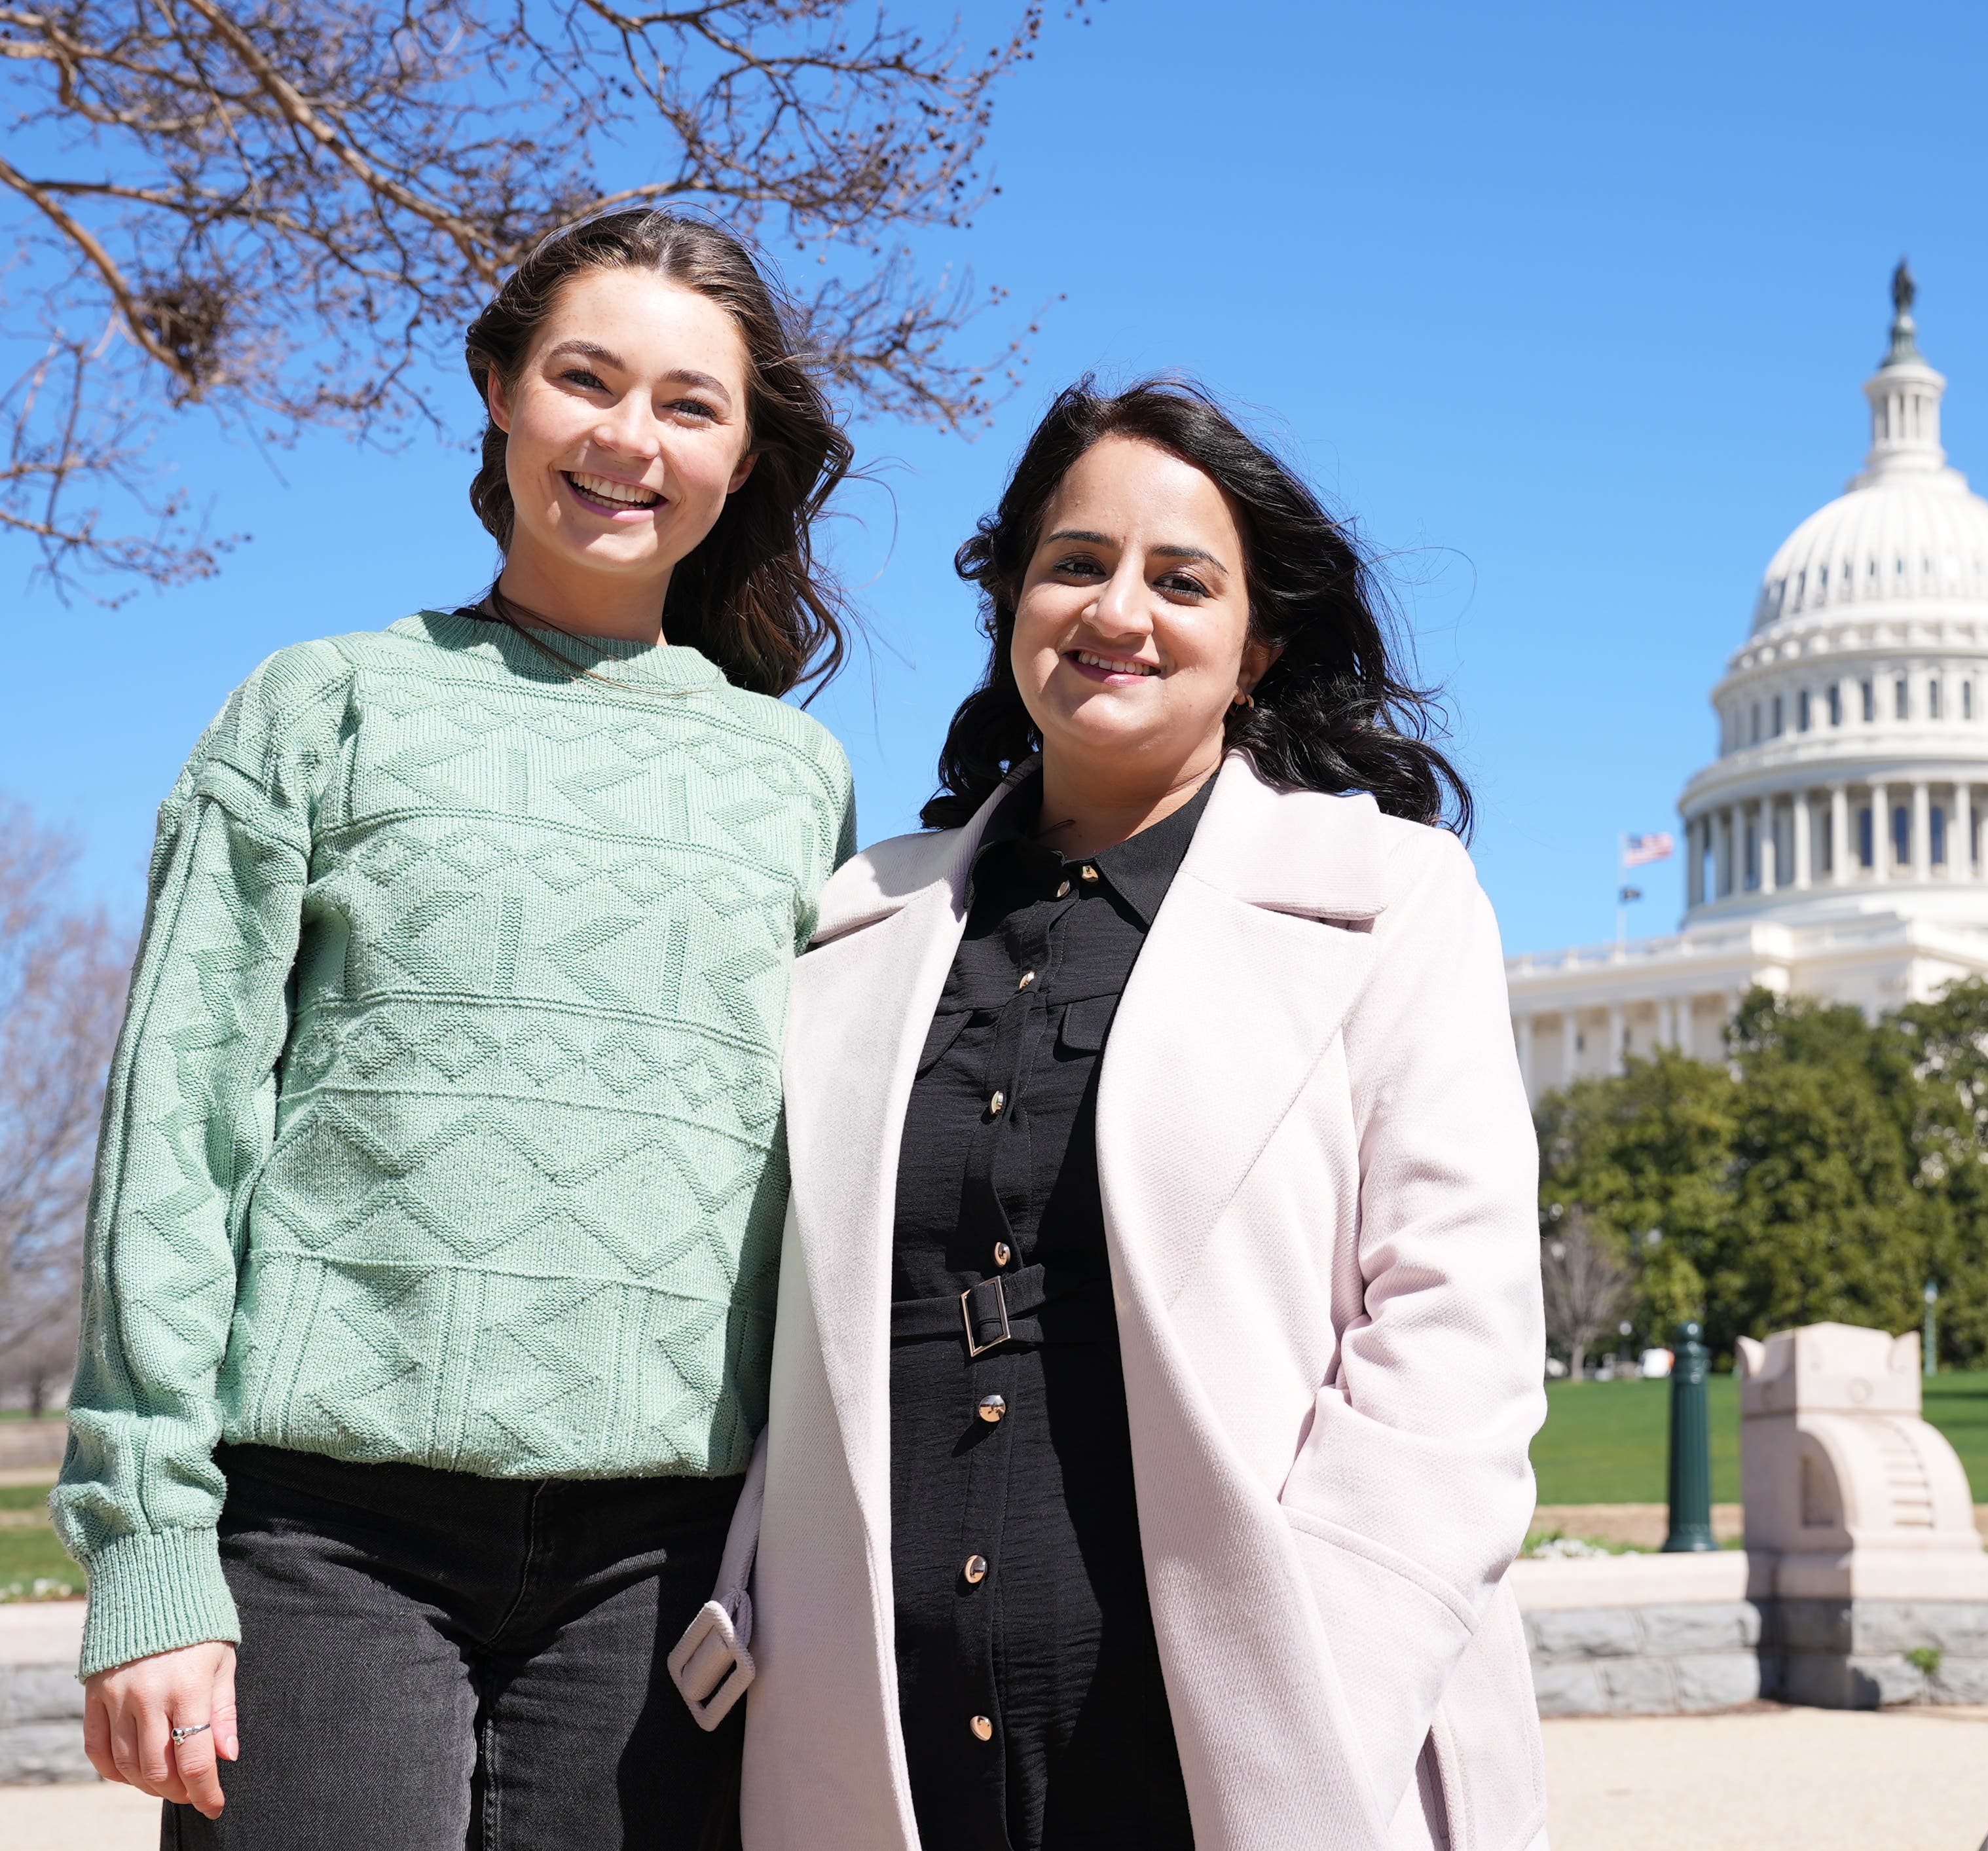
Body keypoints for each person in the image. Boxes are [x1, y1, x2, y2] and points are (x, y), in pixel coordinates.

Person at [53, 208, 858, 1847]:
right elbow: (178, 1135)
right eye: (585, 378)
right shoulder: (324, 703)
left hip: (665, 1563)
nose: (629, 438)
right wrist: (150, 1546)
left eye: (690, 404)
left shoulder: (798, 780)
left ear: (742, 453)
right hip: (325, 1537)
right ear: (500, 389)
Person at [707, 378, 1549, 1851]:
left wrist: (1315, 1676)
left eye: (1183, 579)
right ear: (1013, 600)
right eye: (1075, 563)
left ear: (1257, 644)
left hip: (1236, 1744)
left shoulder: (1389, 899)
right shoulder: (853, 923)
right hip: (879, 1742)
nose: (1119, 610)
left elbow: (1451, 1339)